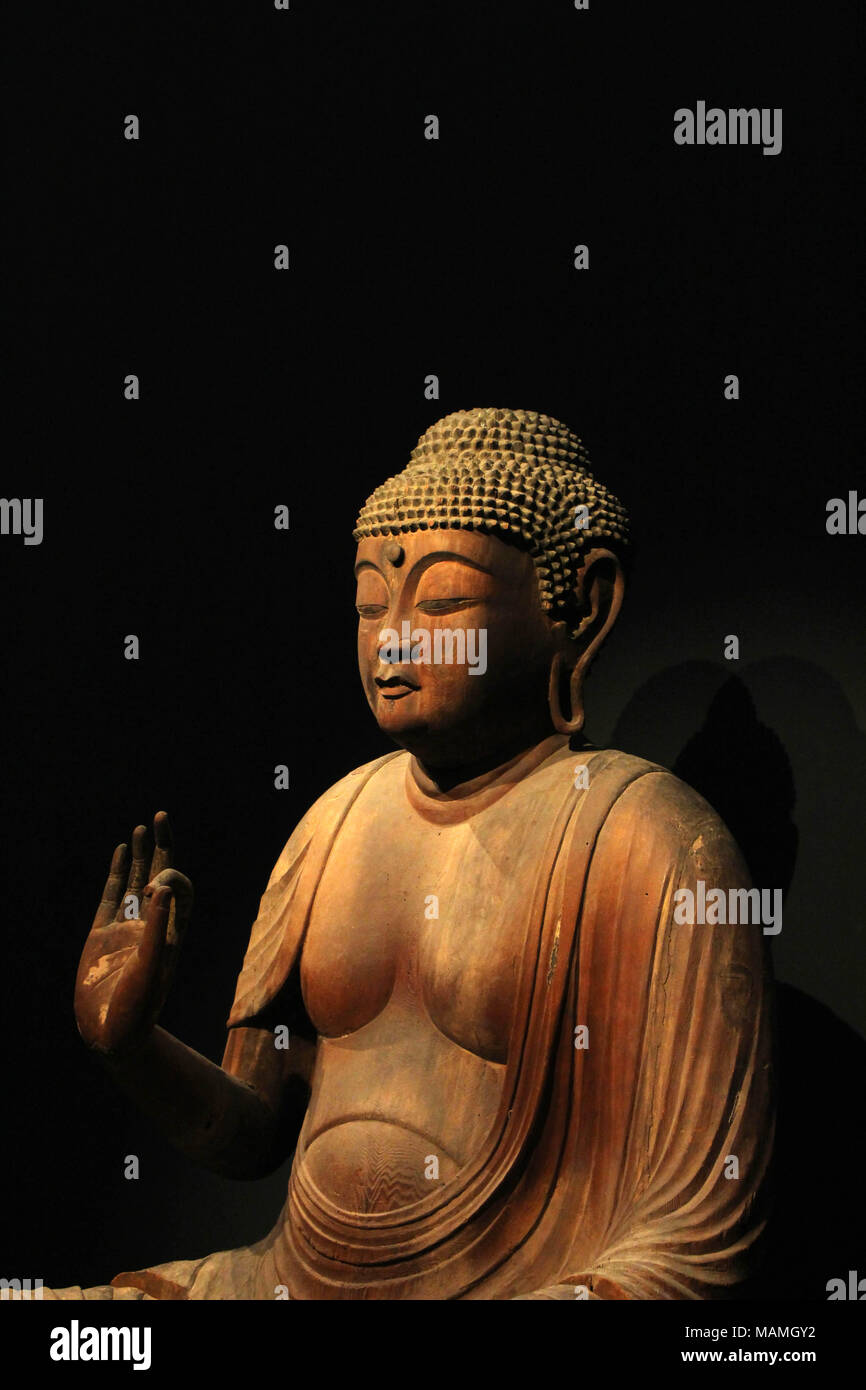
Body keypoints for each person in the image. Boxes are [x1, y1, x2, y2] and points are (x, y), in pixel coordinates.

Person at [43, 408, 773, 1300]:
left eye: (441, 603)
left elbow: (701, 1246)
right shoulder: (332, 823)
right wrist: (131, 1047)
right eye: (368, 604)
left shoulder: (653, 841)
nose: (392, 638)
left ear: (581, 606)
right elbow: (249, 1137)